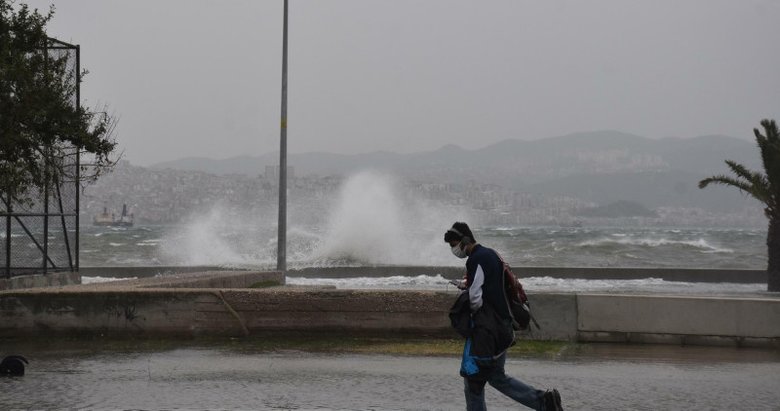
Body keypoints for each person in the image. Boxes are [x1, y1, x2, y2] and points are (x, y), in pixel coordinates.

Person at [445, 222, 563, 411]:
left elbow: (475, 296)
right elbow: (491, 285)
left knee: (473, 381)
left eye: (454, 244)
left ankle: (544, 402)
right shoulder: (491, 254)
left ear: (465, 240)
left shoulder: (476, 258)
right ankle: (544, 402)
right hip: (502, 326)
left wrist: (472, 314)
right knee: (496, 377)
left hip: (488, 331)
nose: (454, 249)